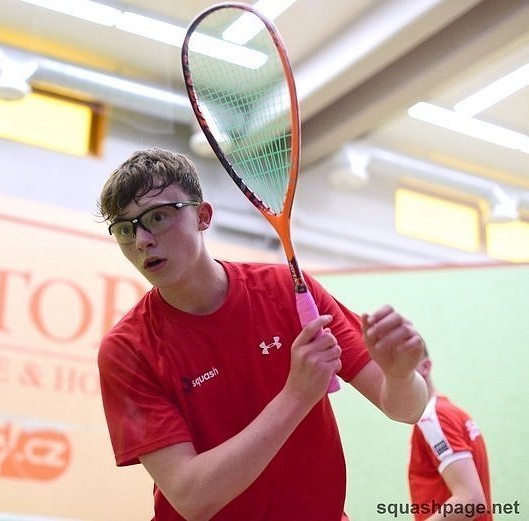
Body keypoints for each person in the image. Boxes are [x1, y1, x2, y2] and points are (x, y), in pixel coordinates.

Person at [96, 147, 428, 521]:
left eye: (158, 217)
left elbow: (408, 409)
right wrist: (297, 396)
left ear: (202, 216)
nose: (142, 240)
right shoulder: (127, 349)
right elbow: (192, 497)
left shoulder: (287, 290)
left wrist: (401, 376)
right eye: (125, 229)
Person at [408, 349, 492, 521]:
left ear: (425, 366)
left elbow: (471, 500)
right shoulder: (453, 413)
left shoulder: (432, 419)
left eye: (402, 366)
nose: (393, 375)